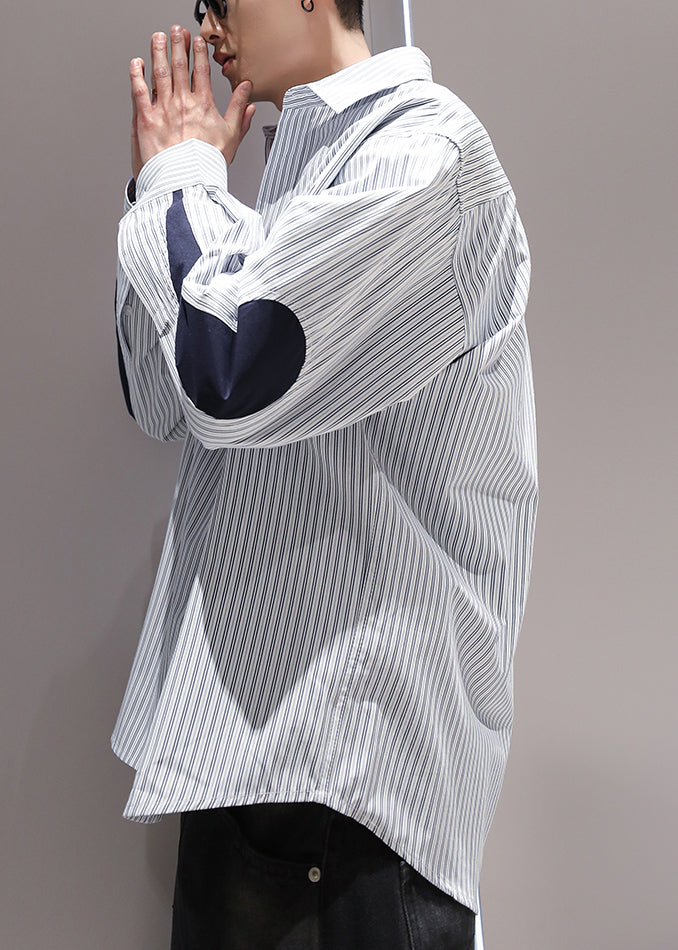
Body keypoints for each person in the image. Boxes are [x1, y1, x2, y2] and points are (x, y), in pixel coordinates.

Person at [112, 0, 538, 946]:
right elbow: (158, 396)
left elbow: (227, 372)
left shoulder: (425, 160)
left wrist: (180, 181)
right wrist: (163, 186)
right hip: (247, 778)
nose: (207, 24)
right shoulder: (284, 204)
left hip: (354, 802)